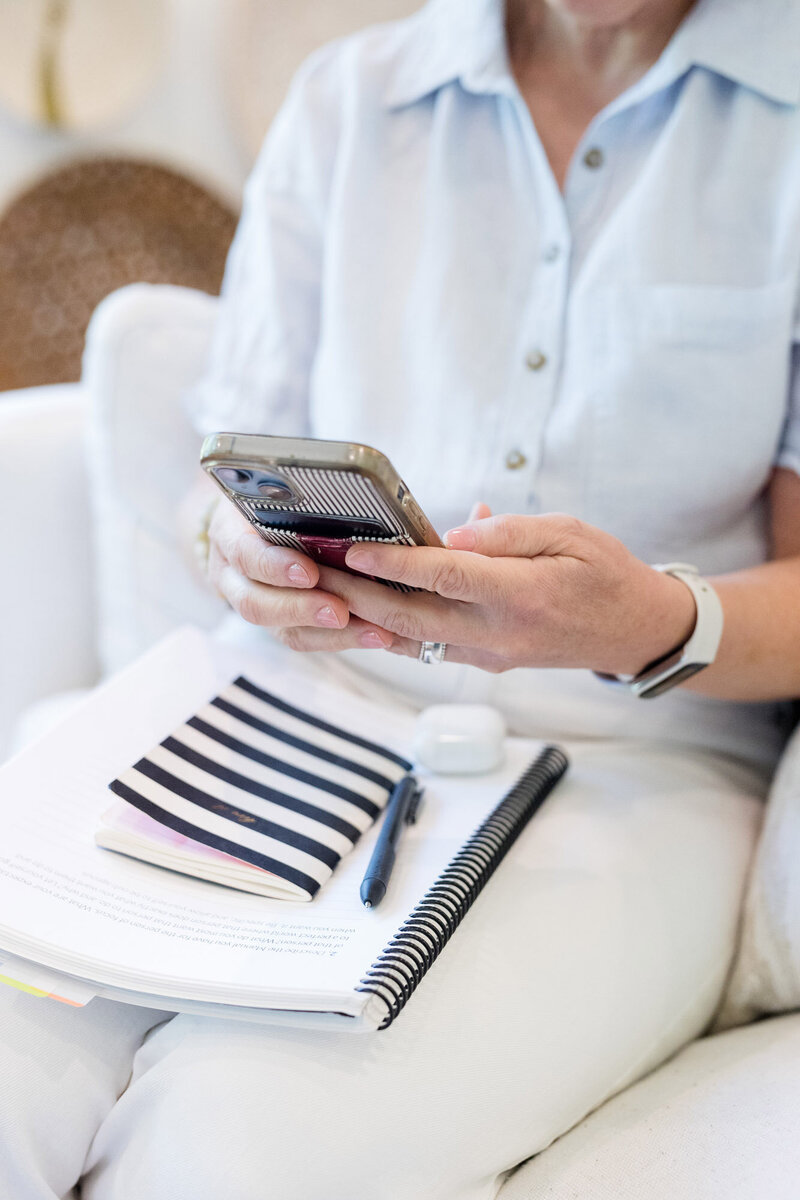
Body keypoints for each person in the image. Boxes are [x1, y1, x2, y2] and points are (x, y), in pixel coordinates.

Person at [2, 0, 800, 1196]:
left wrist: (645, 621)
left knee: (234, 1148)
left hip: (629, 764)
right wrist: (238, 554)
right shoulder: (349, 102)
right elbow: (220, 479)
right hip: (283, 701)